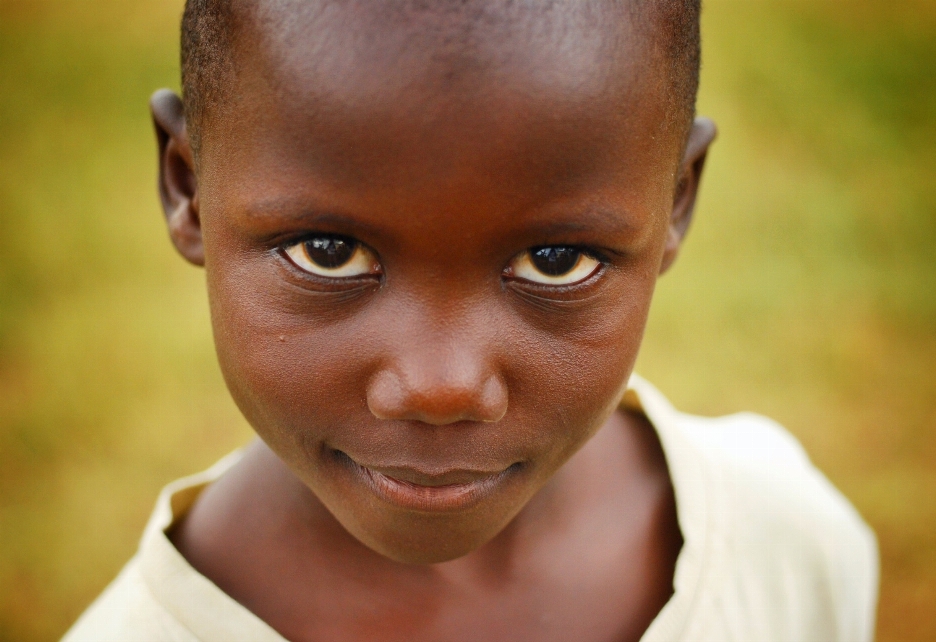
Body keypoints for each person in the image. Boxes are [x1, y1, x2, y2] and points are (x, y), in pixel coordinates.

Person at [63, 0, 878, 640]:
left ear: (676, 199)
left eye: (556, 261)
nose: (442, 385)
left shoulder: (788, 547)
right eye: (327, 251)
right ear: (187, 189)